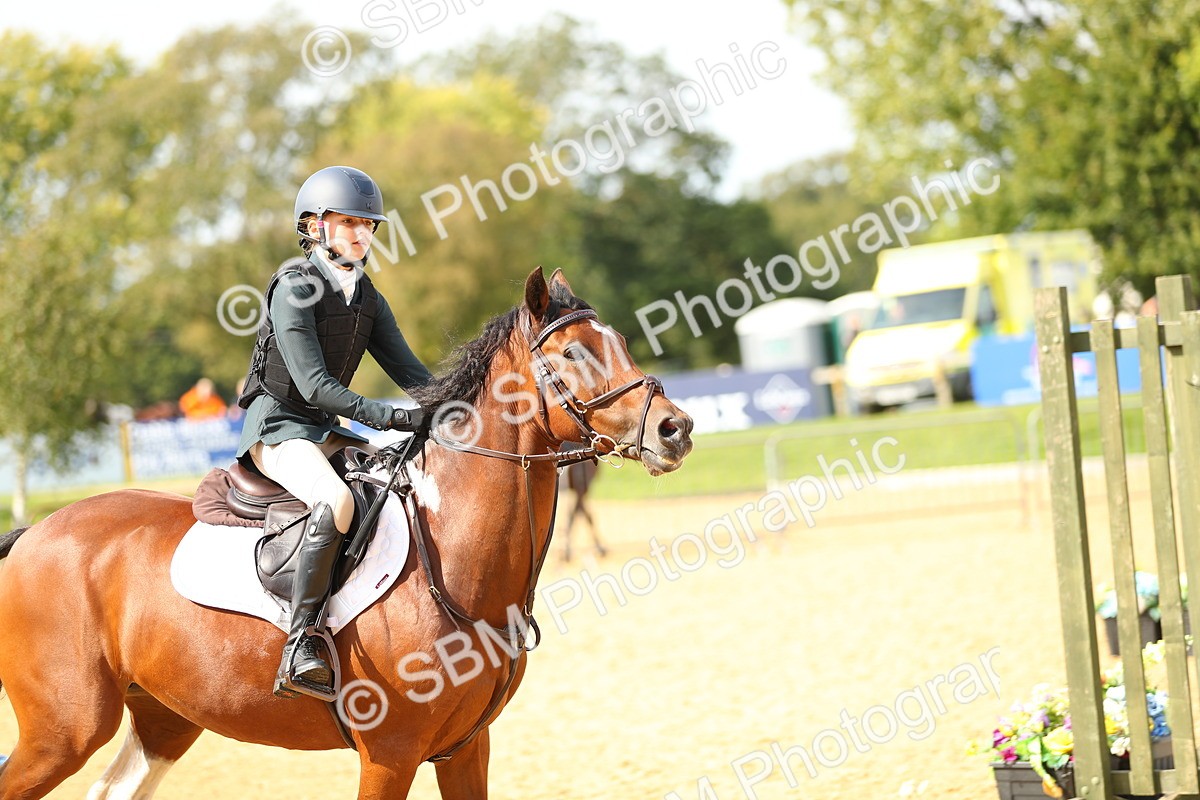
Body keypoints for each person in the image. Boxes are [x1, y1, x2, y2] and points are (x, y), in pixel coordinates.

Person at [234, 165, 433, 698]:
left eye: (368, 225)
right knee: (338, 500)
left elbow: (413, 375)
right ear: (314, 227)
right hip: (277, 428)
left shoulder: (367, 297)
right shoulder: (294, 289)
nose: (362, 234)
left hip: (323, 428)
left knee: (397, 482)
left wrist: (462, 409)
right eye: (349, 223)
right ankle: (300, 642)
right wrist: (391, 417)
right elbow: (316, 385)